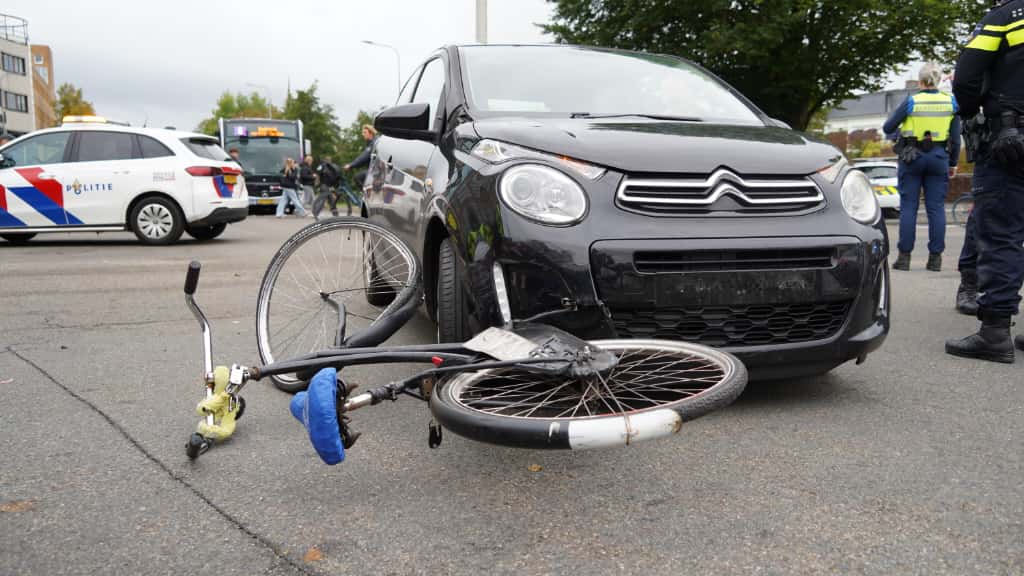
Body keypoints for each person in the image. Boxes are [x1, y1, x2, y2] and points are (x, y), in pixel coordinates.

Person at [945, 0, 1024, 362]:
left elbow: (966, 77)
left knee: (1000, 233)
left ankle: (994, 333)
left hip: (1011, 141)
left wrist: (971, 110)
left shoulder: (1005, 17)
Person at [883, 63, 961, 272]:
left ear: (920, 81)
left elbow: (887, 127)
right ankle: (935, 259)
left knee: (909, 207)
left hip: (912, 157)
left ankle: (904, 258)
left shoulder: (912, 101)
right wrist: (953, 163)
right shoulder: (950, 102)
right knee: (936, 208)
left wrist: (902, 132)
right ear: (937, 81)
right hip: (939, 157)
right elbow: (955, 137)